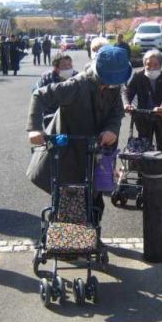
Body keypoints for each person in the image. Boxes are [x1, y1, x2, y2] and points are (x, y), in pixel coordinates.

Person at [27, 45, 130, 219]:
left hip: (97, 151)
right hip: (68, 151)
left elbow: (117, 112)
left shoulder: (114, 87)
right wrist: (35, 129)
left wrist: (111, 130)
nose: (110, 85)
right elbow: (40, 95)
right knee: (68, 199)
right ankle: (66, 233)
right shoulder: (77, 85)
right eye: (107, 80)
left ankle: (91, 232)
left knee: (95, 200)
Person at [124, 50, 162, 162]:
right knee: (144, 146)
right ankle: (144, 170)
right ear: (144, 64)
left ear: (160, 65)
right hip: (144, 116)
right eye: (148, 64)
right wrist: (127, 104)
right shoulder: (138, 76)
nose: (151, 67)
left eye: (155, 65)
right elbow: (127, 92)